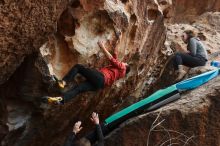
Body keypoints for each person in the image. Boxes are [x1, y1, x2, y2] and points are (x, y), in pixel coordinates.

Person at [43, 40, 130, 104]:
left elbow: (111, 59)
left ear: (126, 66)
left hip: (101, 77)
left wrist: (102, 46)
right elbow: (115, 58)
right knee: (78, 89)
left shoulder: (123, 68)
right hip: (99, 85)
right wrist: (117, 45)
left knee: (78, 67)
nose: (123, 62)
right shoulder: (120, 73)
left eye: (124, 63)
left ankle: (63, 82)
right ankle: (61, 100)